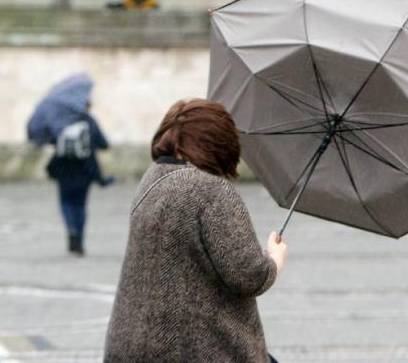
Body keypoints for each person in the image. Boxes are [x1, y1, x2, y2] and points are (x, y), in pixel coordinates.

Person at [104, 99, 288, 362]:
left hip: (131, 347)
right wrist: (274, 259)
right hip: (194, 350)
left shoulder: (152, 179)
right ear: (219, 144)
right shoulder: (209, 191)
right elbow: (249, 275)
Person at [46, 101, 113, 256]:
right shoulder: (90, 122)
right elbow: (104, 144)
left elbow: (51, 140)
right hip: (84, 170)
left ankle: (71, 230)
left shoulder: (62, 121)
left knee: (66, 203)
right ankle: (80, 241)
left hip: (64, 170)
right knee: (81, 205)